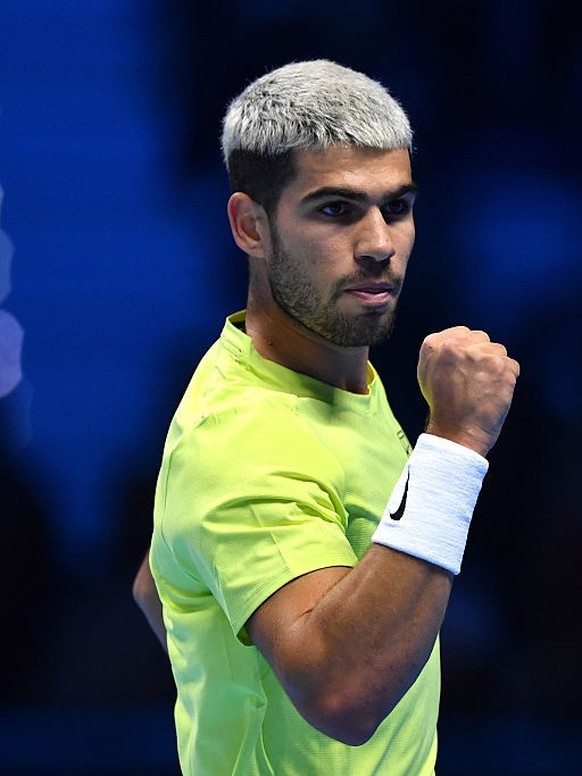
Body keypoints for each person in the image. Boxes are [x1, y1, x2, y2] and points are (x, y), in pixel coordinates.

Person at [133, 60, 519, 775]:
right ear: (251, 226)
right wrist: (457, 440)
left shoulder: (332, 369)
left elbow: (159, 583)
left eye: (396, 207)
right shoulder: (243, 437)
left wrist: (226, 676)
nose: (379, 243)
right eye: (336, 210)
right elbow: (344, 695)